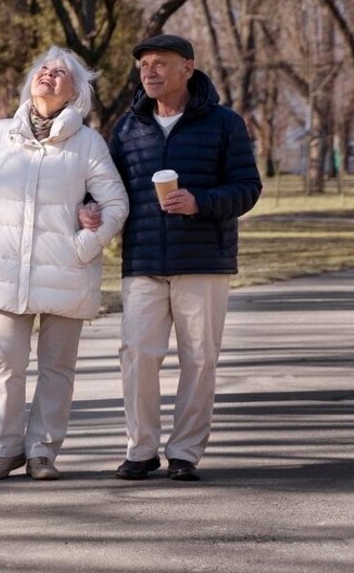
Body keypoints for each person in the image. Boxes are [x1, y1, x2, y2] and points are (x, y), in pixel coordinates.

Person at [82, 33, 261, 481]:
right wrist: (90, 206)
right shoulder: (127, 127)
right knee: (138, 354)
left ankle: (185, 453)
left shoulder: (224, 123)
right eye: (144, 65)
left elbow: (247, 187)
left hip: (203, 260)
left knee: (199, 359)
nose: (150, 72)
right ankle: (140, 449)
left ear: (188, 67)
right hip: (142, 258)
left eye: (160, 63)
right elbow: (105, 187)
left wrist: (200, 201)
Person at [0, 45, 128, 481]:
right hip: (5, 270)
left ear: (76, 93)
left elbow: (115, 203)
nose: (49, 75)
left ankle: (42, 453)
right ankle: (6, 449)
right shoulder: (0, 135)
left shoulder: (88, 143)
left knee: (57, 369)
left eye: (61, 72)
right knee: (4, 364)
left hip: (66, 270)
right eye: (44, 68)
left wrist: (86, 243)